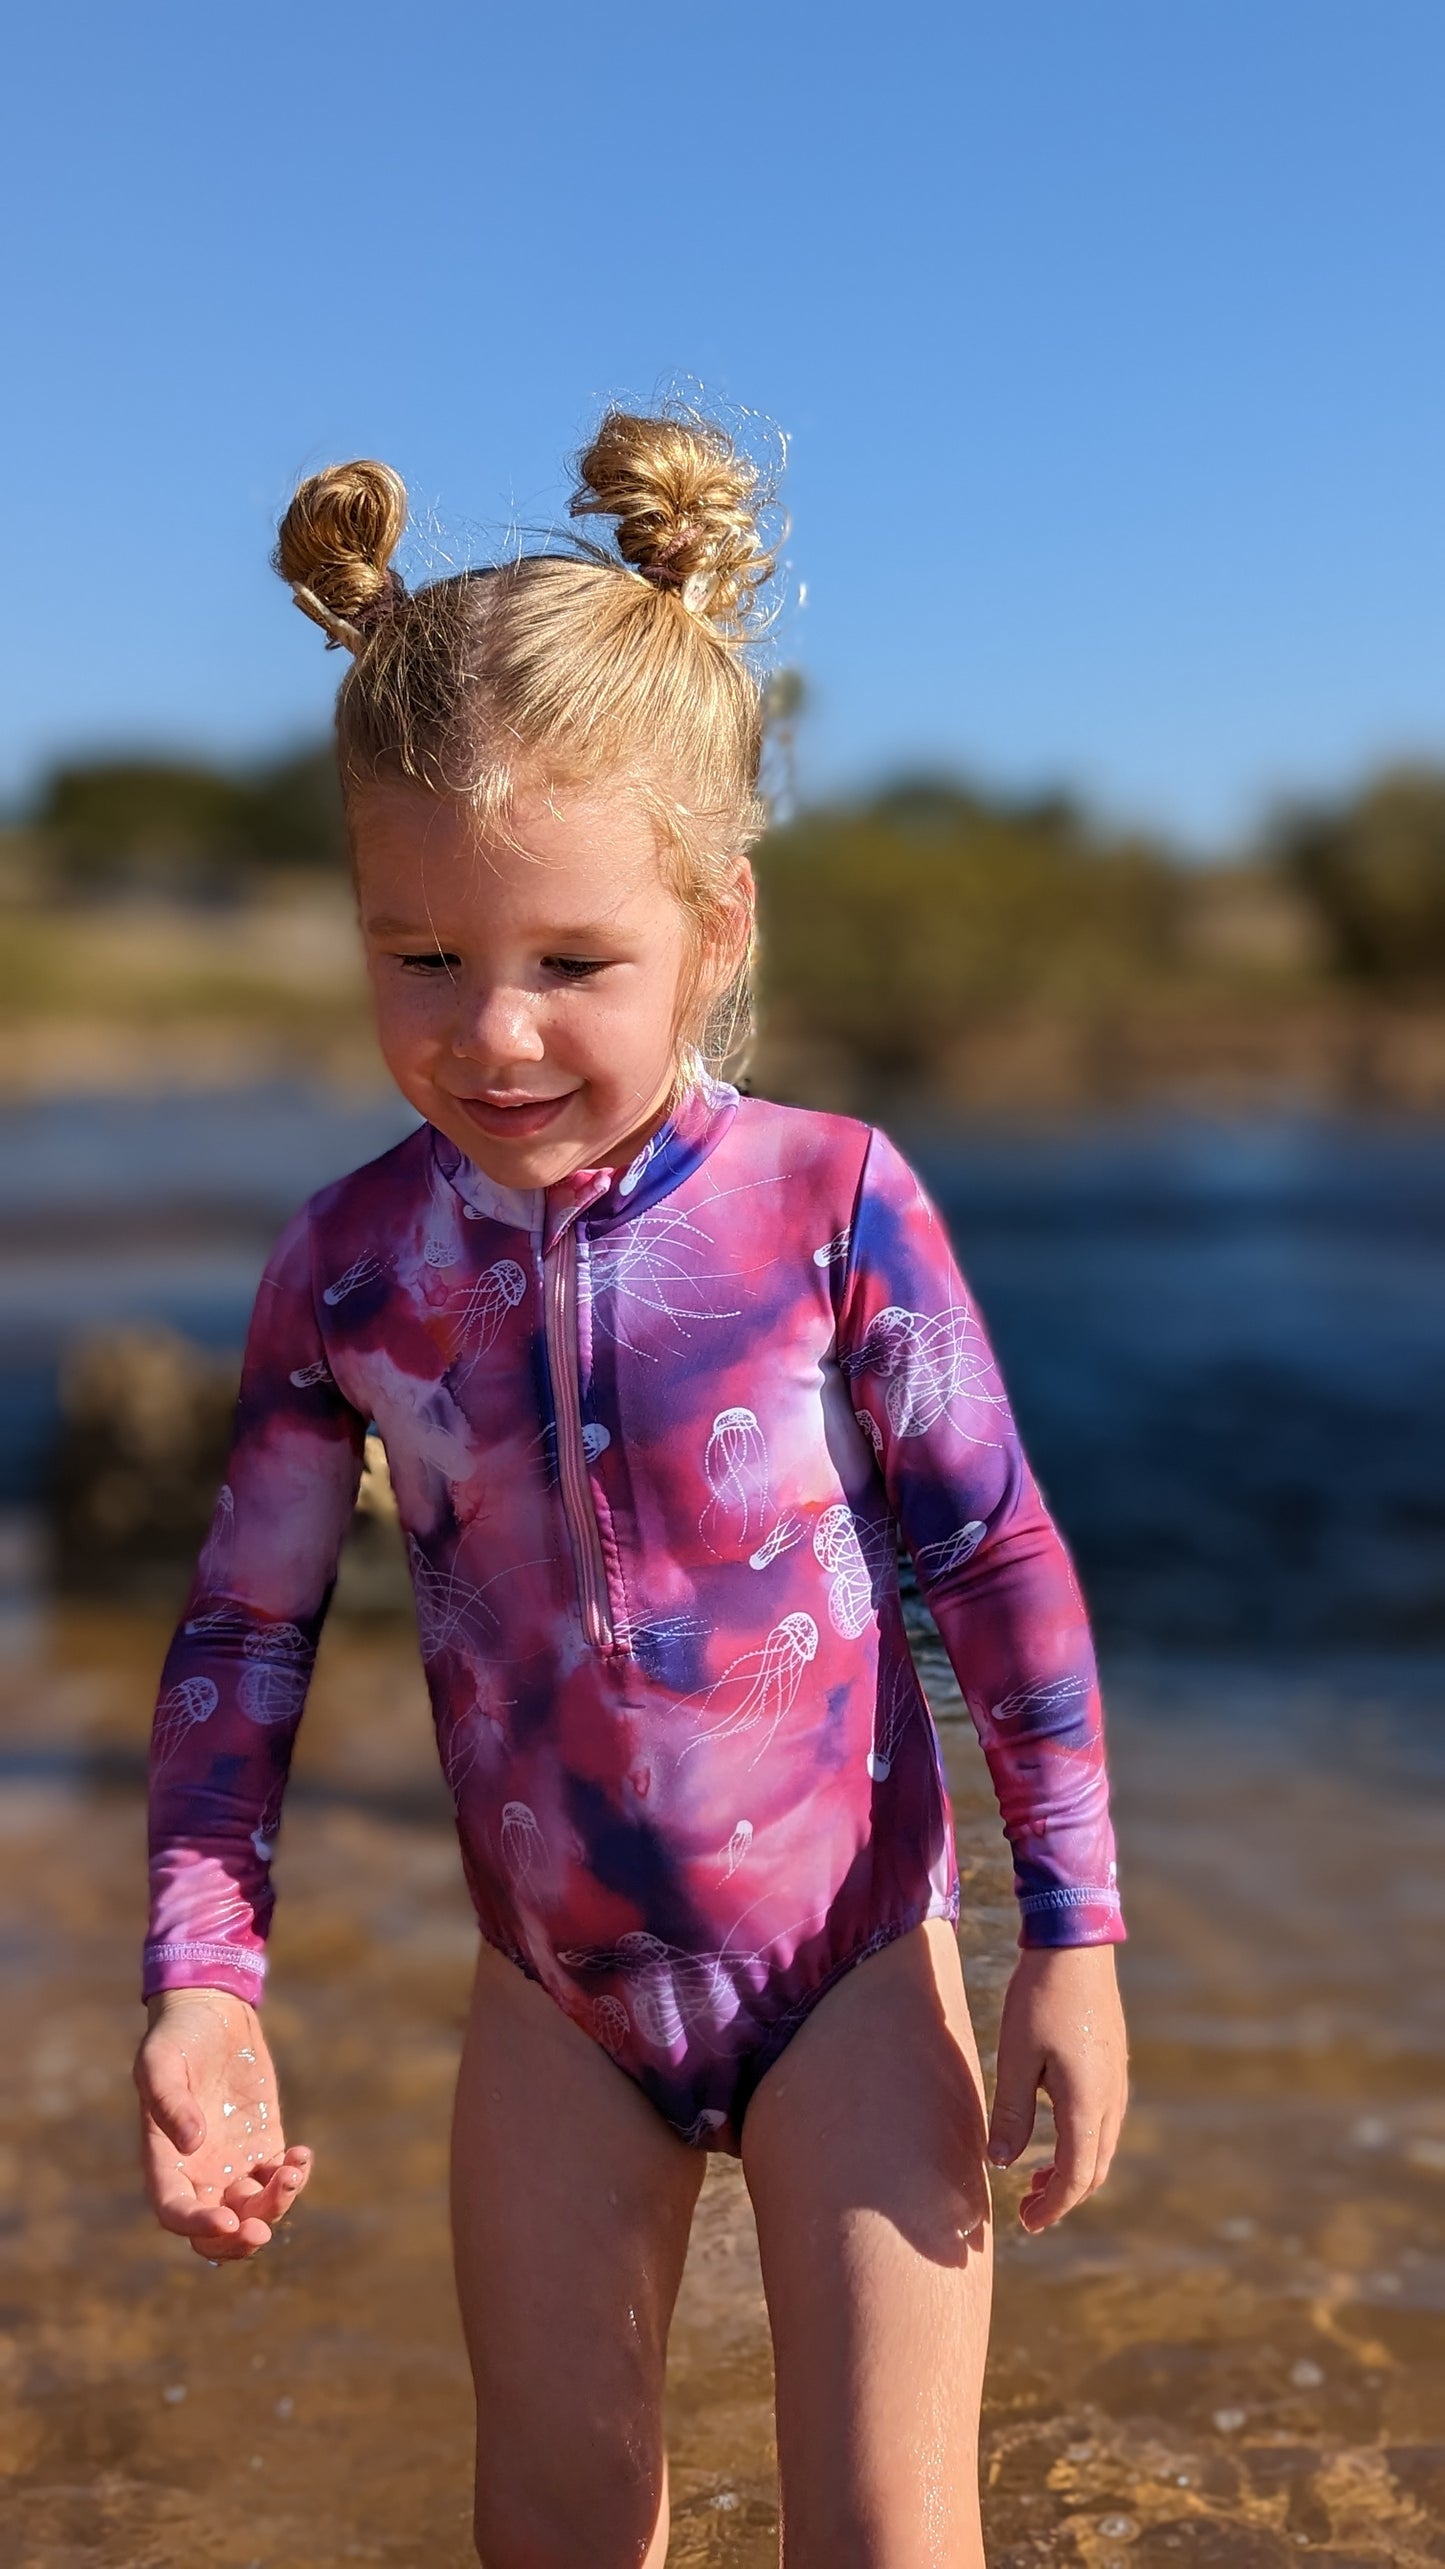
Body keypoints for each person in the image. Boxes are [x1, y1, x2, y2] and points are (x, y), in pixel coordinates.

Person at [133, 407, 1129, 2568]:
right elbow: (242, 1641)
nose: (492, 1033)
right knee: (558, 2524)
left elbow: (999, 1565)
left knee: (890, 2530)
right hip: (555, 2003)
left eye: (570, 964)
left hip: (850, 1967)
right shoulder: (352, 1268)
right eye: (423, 957)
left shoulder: (830, 1205)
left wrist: (1075, 1932)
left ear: (710, 918)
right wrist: (205, 1976)